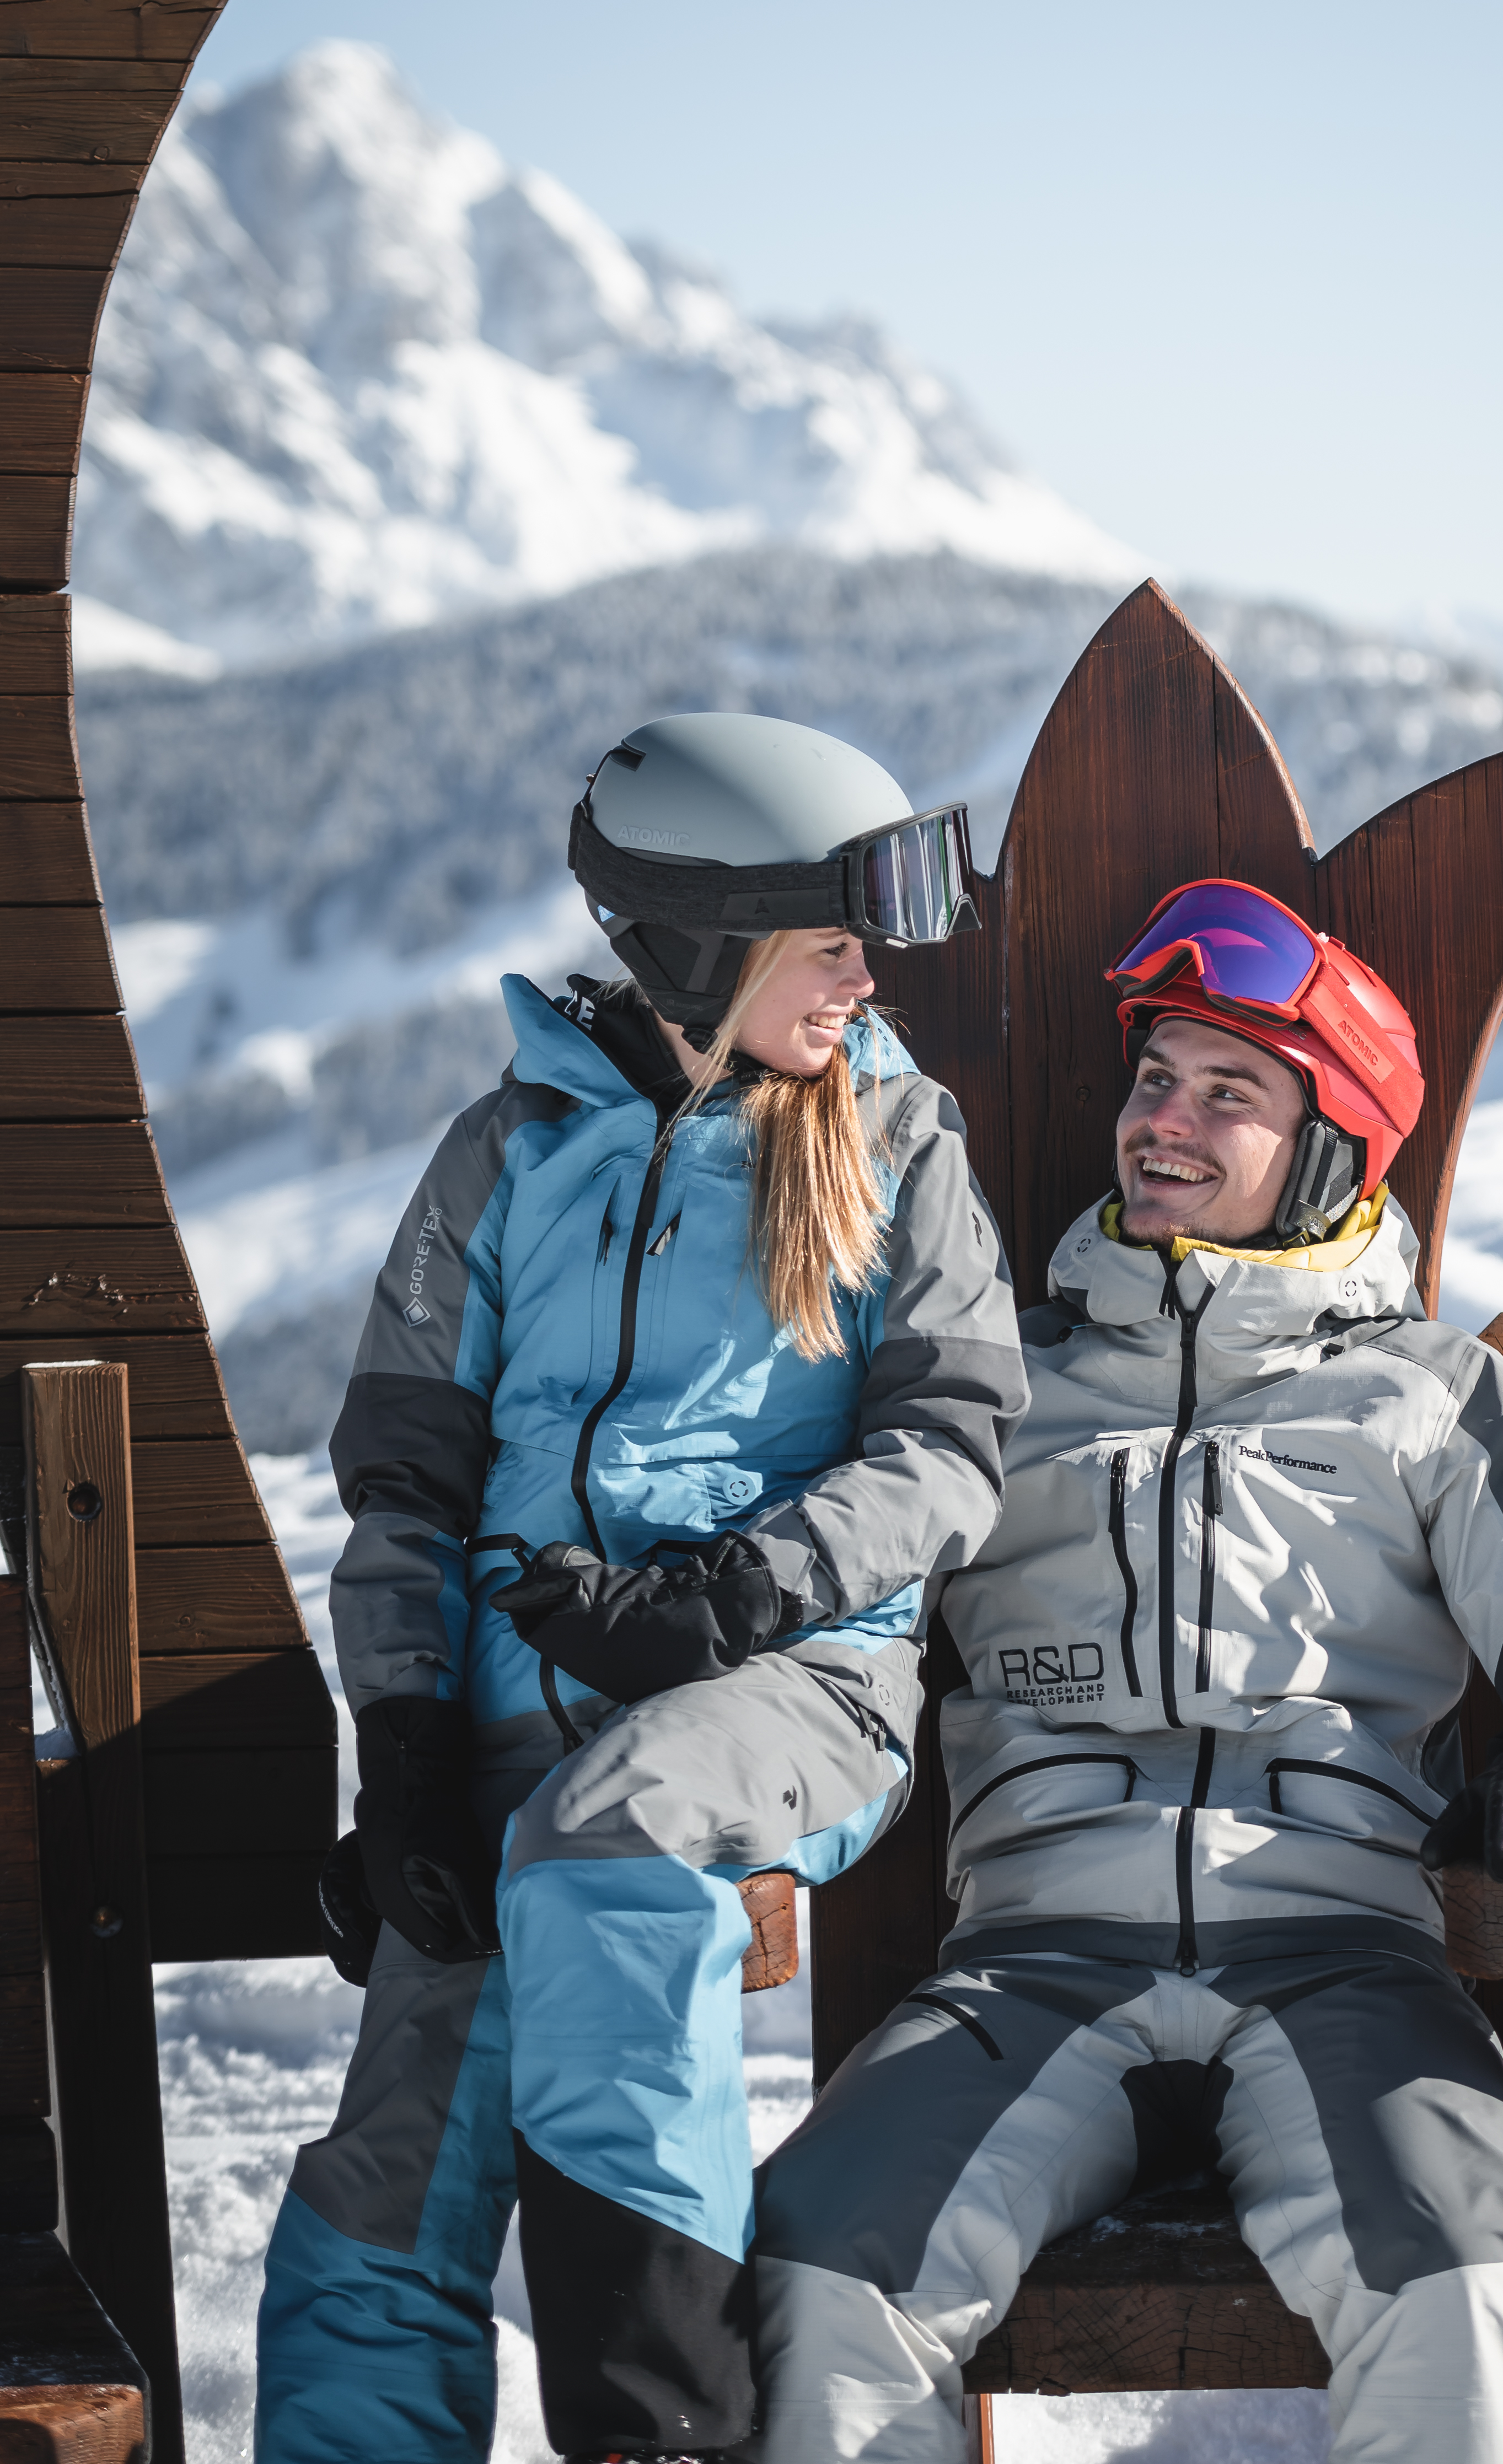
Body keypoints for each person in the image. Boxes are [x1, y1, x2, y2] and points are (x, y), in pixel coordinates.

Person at [752, 876, 1503, 2464]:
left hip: (1345, 1961)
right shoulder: (996, 1385)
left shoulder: (1430, 1396)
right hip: (1034, 1960)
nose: (1162, 1122)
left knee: (1477, 2287)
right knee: (814, 2280)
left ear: (1328, 1146)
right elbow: (837, 1647)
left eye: (1226, 1093)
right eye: (1152, 1079)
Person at [255, 713, 1028, 2464]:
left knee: (613, 1839)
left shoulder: (896, 1146)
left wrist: (738, 1598)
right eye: (823, 933)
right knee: (389, 2175)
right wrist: (411, 1753)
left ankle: (654, 2433)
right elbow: (402, 1491)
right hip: (521, 1730)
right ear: (697, 943)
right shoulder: (506, 1156)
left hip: (787, 1686)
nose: (861, 970)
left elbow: (951, 1453)